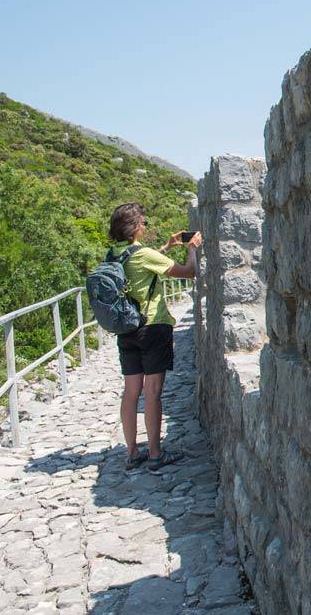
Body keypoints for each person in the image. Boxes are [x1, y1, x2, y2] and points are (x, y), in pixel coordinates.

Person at [107, 202, 201, 471]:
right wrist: (191, 249)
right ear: (136, 227)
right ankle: (156, 453)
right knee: (153, 392)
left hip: (127, 329)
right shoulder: (145, 254)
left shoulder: (114, 254)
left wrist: (168, 248)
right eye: (143, 223)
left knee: (131, 392)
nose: (145, 227)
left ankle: (132, 452)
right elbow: (189, 272)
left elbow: (139, 263)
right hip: (153, 327)